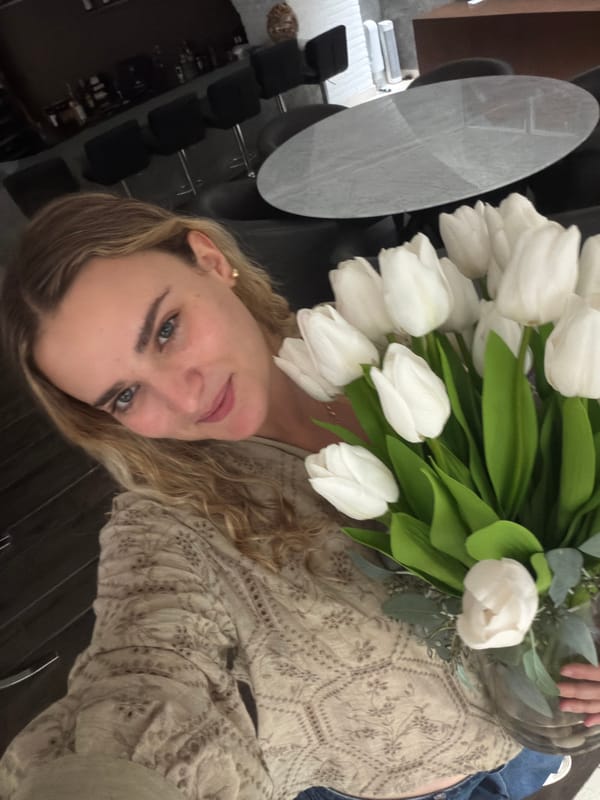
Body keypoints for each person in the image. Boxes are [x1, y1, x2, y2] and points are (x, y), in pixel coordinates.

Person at [0, 192, 598, 800]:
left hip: (534, 743)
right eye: (124, 396)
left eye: (166, 331)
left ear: (210, 261)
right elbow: (142, 666)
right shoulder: (167, 527)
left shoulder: (433, 339)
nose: (182, 399)